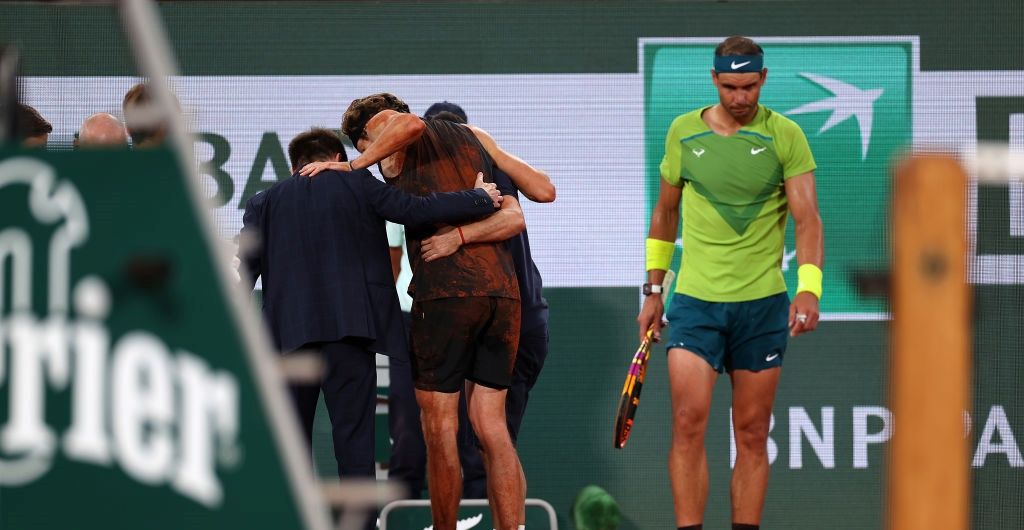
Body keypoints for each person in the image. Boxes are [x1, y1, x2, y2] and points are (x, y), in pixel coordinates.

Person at [237, 128, 501, 524]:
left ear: (295, 167)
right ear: (335, 159)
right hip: (349, 334)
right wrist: (478, 198)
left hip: (288, 342)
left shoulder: (264, 203)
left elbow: (241, 275)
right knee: (355, 447)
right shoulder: (357, 184)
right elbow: (417, 209)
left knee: (287, 450)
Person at [300, 93, 530, 530]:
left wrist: (351, 165)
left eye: (368, 142)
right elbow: (537, 194)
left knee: (441, 429)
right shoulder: (473, 141)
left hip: (447, 295)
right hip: (502, 296)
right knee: (490, 426)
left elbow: (409, 127)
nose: (372, 151)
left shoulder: (404, 133)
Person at [636, 36, 823, 530]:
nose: (740, 97)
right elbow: (665, 213)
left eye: (749, 86)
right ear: (714, 80)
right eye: (730, 87)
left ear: (763, 79)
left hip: (762, 305)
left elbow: (807, 219)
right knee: (686, 423)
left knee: (753, 431)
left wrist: (809, 287)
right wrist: (653, 291)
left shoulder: (786, 136)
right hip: (696, 302)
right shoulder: (682, 133)